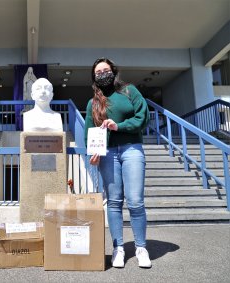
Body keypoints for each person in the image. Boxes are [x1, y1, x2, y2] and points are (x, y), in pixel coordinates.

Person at [84, 58, 151, 268]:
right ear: (94, 77)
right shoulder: (93, 103)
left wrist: (119, 126)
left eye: (106, 70)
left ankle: (141, 247)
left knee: (135, 201)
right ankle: (118, 248)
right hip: (107, 154)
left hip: (132, 148)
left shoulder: (129, 92)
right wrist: (93, 153)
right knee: (113, 201)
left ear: (113, 71)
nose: (103, 74)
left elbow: (143, 117)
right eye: (98, 72)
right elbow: (89, 132)